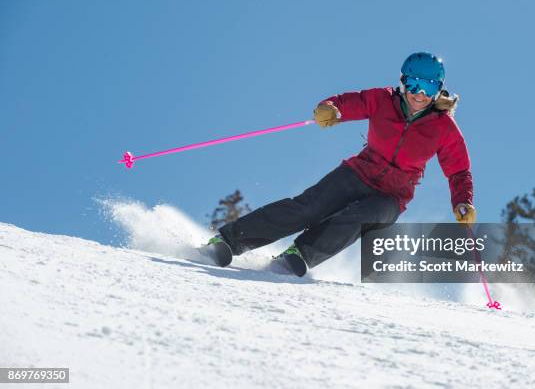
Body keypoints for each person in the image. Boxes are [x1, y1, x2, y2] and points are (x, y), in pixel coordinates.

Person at [198, 52, 476, 276]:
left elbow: (459, 172)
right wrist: (330, 109)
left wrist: (462, 202)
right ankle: (227, 241)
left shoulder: (444, 128)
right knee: (308, 208)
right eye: (414, 84)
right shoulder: (382, 99)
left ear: (438, 90)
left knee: (360, 217)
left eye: (428, 87)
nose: (419, 94)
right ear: (403, 82)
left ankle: (300, 255)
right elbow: (346, 102)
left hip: (392, 196)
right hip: (357, 173)